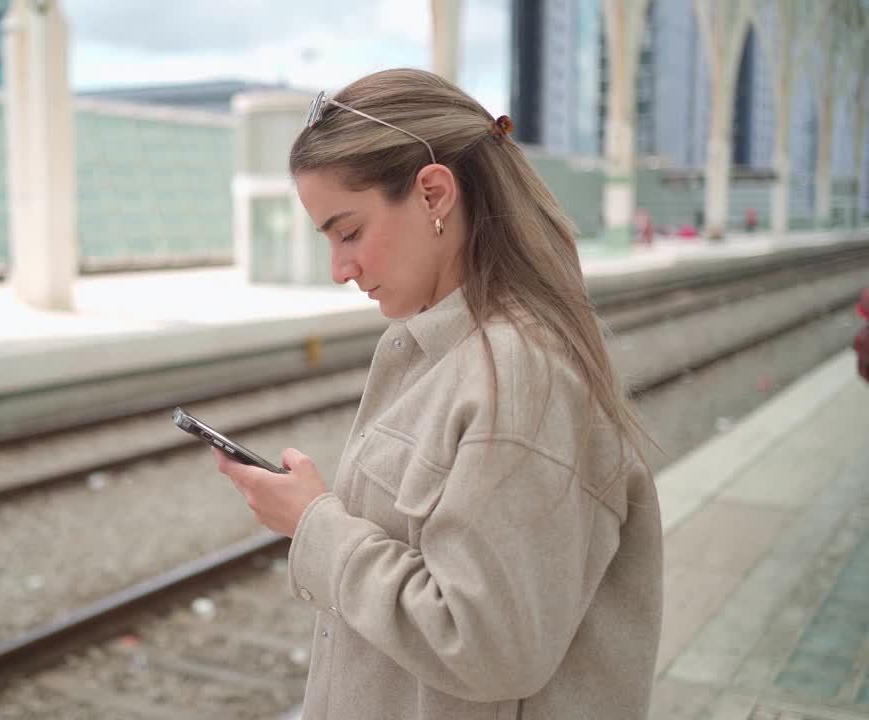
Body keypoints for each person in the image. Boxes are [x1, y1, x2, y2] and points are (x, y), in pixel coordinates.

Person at [212, 68, 662, 720]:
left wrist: (316, 525)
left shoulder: (521, 378)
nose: (340, 270)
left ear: (432, 193)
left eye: (348, 231)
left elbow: (488, 643)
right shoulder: (443, 352)